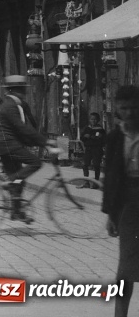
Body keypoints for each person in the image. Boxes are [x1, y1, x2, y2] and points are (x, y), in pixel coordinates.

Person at [0, 75, 58, 223]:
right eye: (21, 90)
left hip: (9, 144)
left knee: (19, 180)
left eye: (23, 90)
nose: (24, 93)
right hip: (8, 145)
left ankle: (16, 212)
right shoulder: (10, 105)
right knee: (36, 163)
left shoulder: (17, 104)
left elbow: (28, 127)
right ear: (15, 91)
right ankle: (11, 182)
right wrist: (45, 141)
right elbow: (22, 128)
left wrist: (41, 143)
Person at [102, 85, 139, 317]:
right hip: (128, 203)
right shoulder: (115, 137)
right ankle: (120, 314)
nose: (129, 113)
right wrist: (110, 214)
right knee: (126, 263)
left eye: (134, 108)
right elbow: (111, 177)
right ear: (117, 108)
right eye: (124, 108)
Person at [80, 112, 106, 187]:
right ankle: (86, 182)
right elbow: (82, 138)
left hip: (97, 149)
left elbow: (104, 140)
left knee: (96, 165)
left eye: (95, 119)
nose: (93, 121)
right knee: (85, 165)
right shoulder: (87, 128)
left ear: (98, 120)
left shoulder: (100, 129)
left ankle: (96, 182)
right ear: (89, 120)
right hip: (88, 149)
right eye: (92, 119)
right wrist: (85, 137)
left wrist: (99, 137)